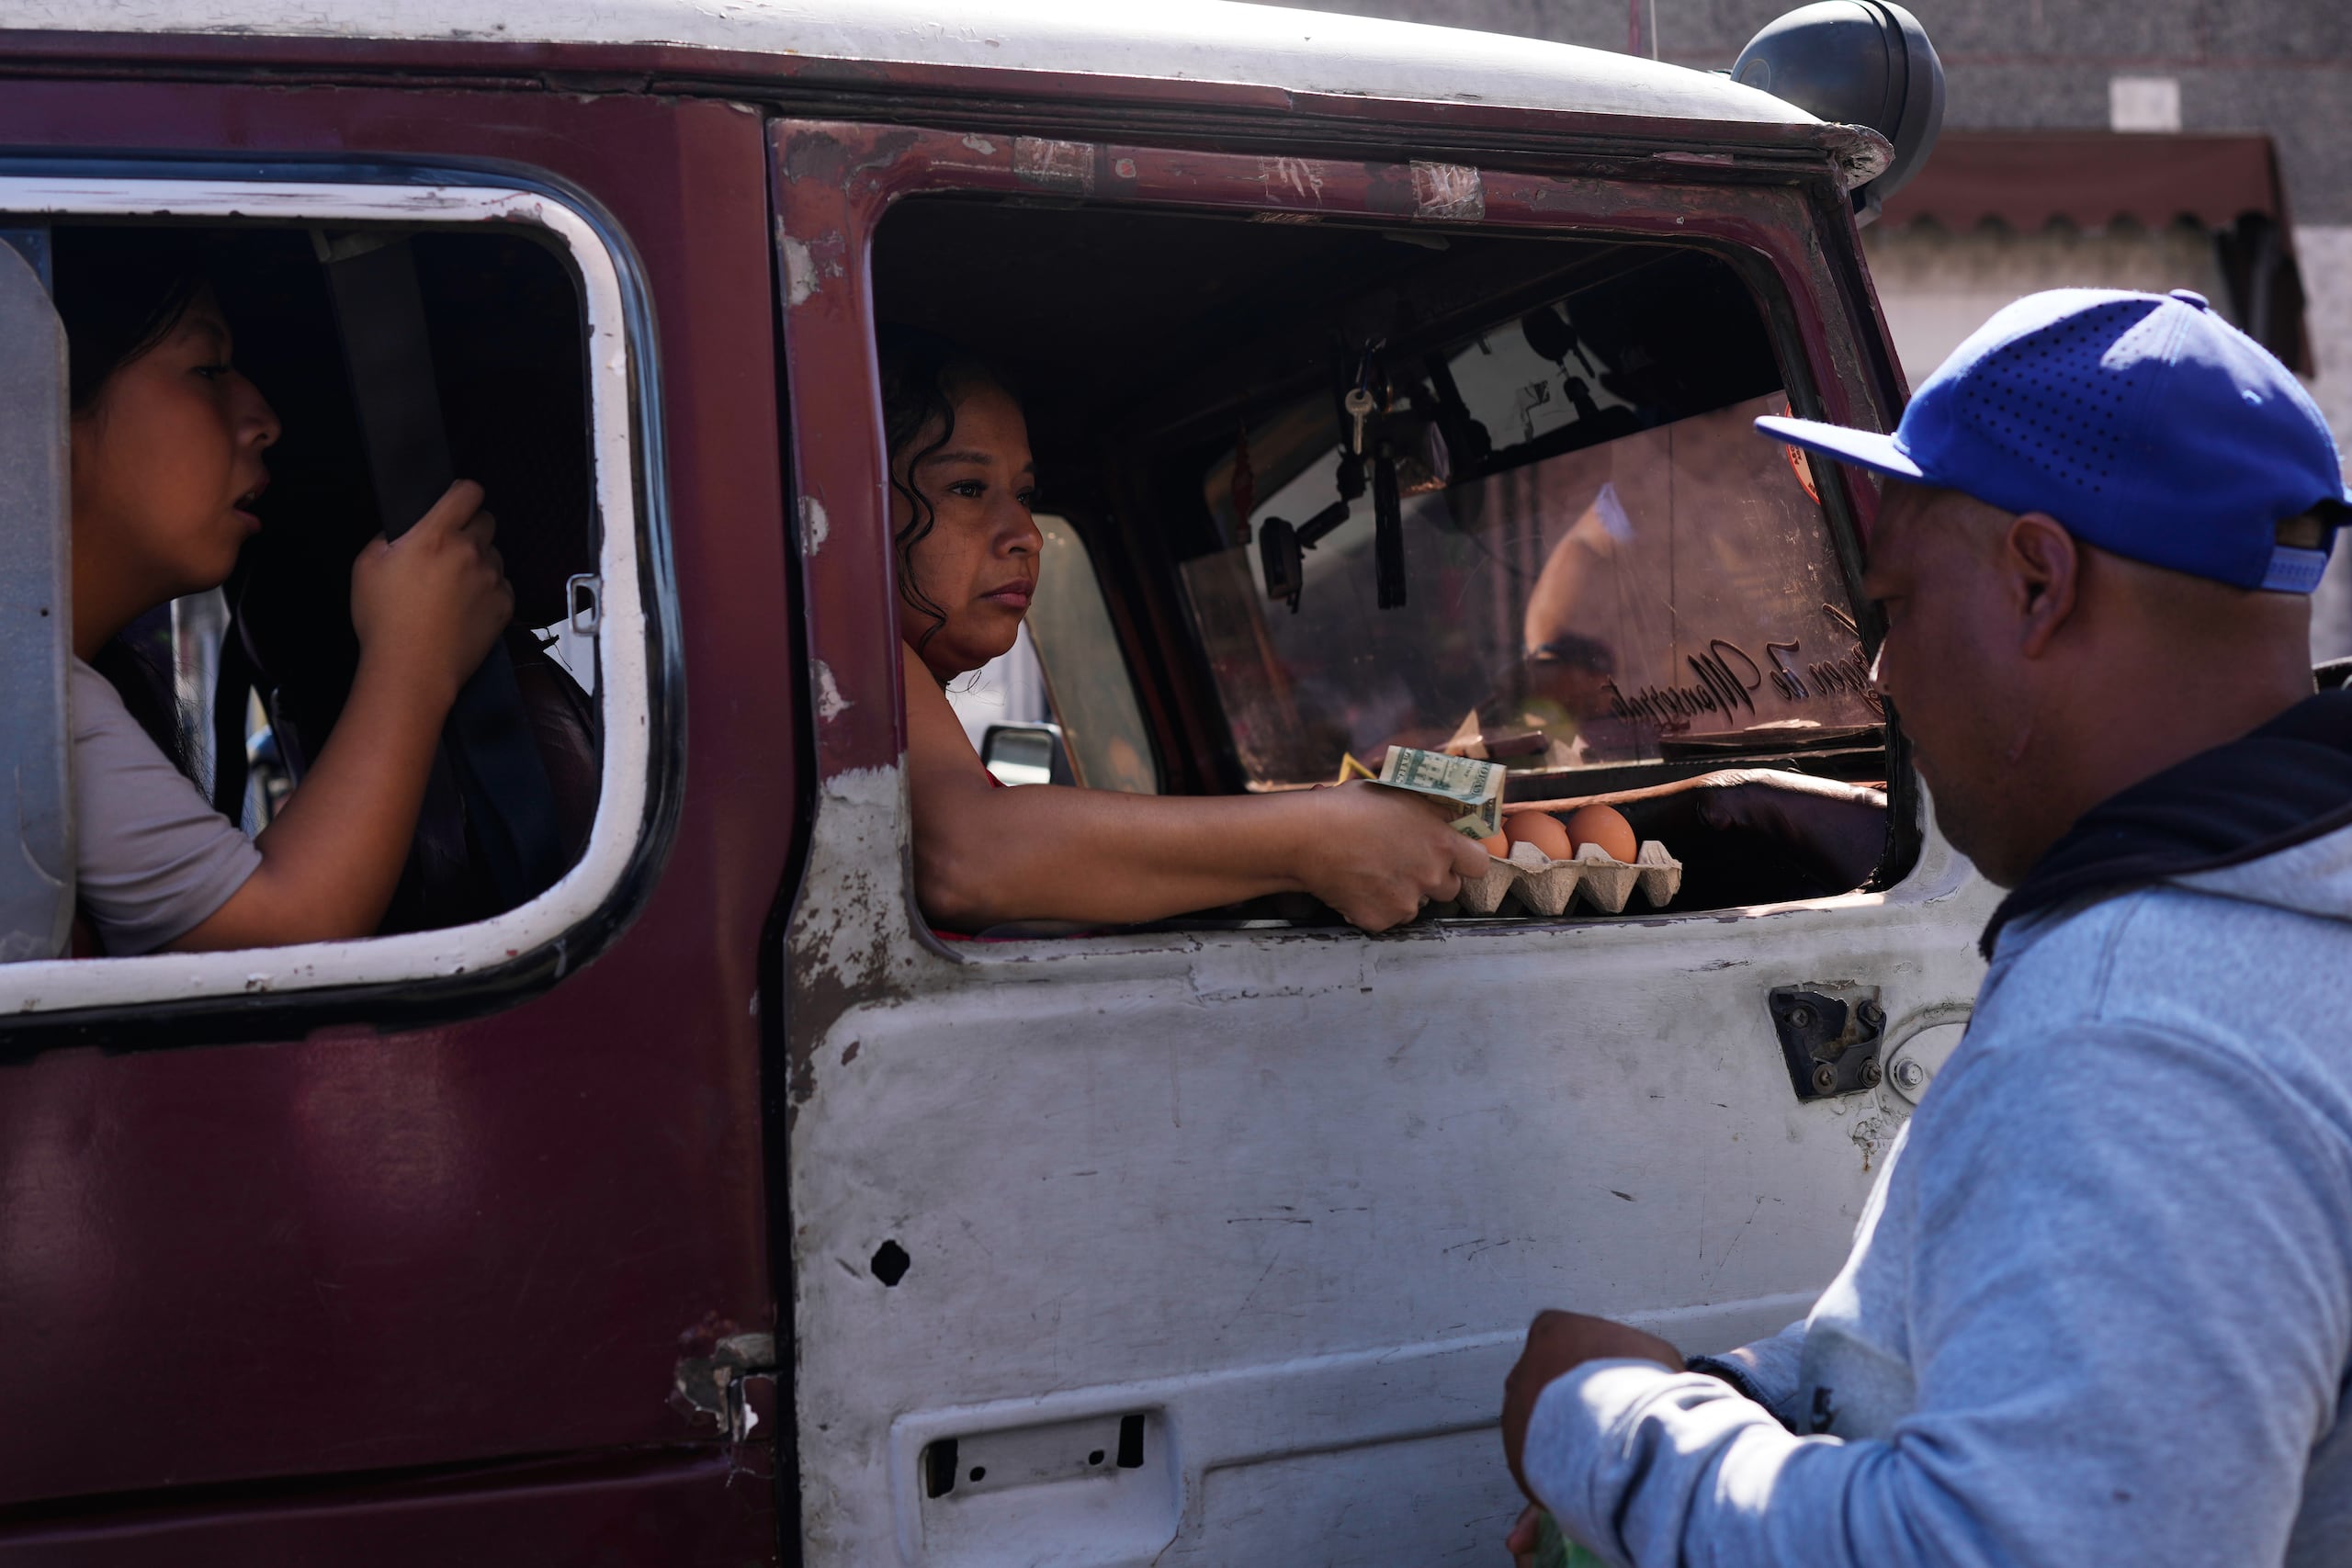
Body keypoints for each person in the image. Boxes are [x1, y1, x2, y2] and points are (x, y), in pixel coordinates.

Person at [1498, 288, 2352, 1566]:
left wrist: (1608, 1428)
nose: (1885, 674)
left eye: (1894, 606)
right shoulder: (2276, 929)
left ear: (2035, 582)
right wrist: (1775, 1390)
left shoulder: (2136, 1038)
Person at [885, 334, 1485, 933]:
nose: (1027, 535)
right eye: (967, 488)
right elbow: (964, 862)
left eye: (1024, 495)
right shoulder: (860, 662)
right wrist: (1312, 836)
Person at [62, 228, 513, 955]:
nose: (264, 422)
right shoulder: (25, 694)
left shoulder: (58, 691)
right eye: (209, 370)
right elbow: (267, 939)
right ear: (34, 400)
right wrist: (412, 658)